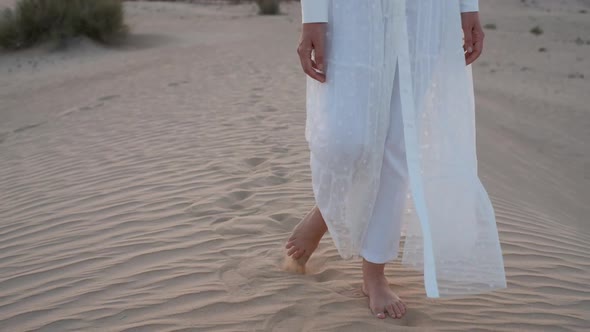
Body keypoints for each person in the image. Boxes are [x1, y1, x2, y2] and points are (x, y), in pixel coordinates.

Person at [284, 0, 507, 320]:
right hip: (353, 10)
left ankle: (374, 273)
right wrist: (313, 17)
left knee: (399, 142)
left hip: (427, 11)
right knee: (347, 139)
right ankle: (329, 209)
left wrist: (467, 7)